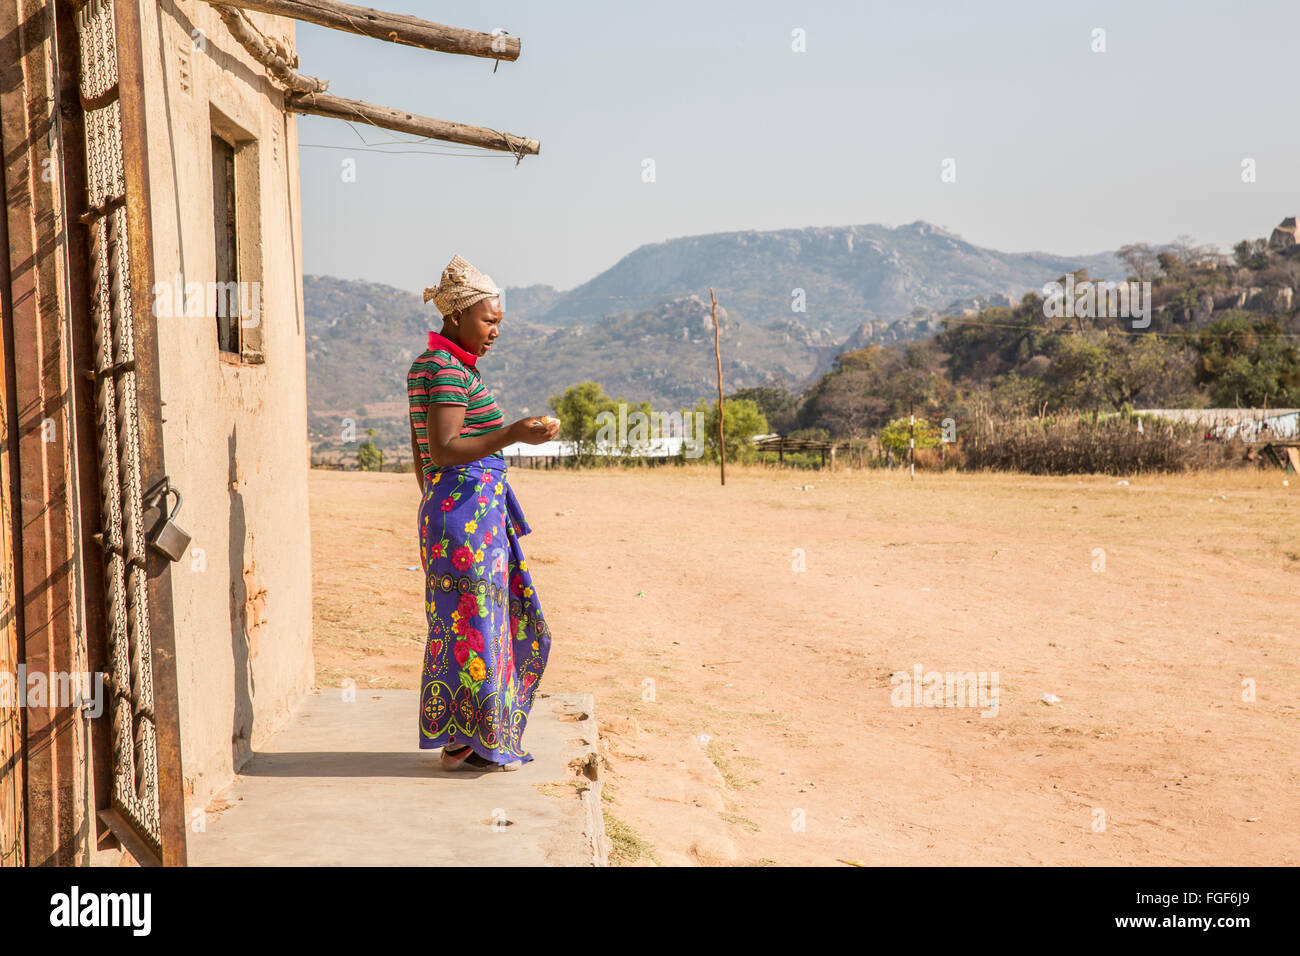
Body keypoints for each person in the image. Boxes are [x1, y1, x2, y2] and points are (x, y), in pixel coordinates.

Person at [407, 254, 560, 772]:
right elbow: (445, 448)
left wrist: (437, 503)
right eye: (489, 320)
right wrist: (514, 432)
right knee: (481, 624)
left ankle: (465, 741)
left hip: (458, 514)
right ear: (457, 316)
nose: (496, 331)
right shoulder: (445, 370)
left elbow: (422, 457)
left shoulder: (440, 367)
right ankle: (474, 743)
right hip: (465, 517)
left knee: (471, 623)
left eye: (499, 322)